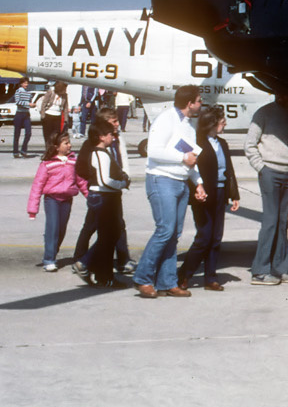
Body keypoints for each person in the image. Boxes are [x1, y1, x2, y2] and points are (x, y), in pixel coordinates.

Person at [135, 85, 205, 299]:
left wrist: (198, 182)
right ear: (189, 103)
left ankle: (167, 281)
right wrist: (182, 158)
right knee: (165, 230)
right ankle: (143, 278)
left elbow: (191, 156)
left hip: (181, 182)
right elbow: (154, 150)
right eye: (199, 101)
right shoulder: (166, 119)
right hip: (161, 179)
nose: (201, 104)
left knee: (174, 235)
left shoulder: (188, 125)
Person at [244, 94, 288, 285]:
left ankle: (280, 269)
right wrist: (261, 168)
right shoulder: (263, 113)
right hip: (270, 172)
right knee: (270, 221)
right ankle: (260, 271)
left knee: (282, 222)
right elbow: (249, 145)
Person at [178, 106, 239, 292]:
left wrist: (234, 194)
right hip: (203, 194)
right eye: (222, 121)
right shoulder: (196, 142)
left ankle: (210, 277)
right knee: (204, 236)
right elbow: (187, 168)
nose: (225, 124)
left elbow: (229, 170)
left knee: (216, 237)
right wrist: (196, 188)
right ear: (212, 123)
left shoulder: (223, 143)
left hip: (220, 193)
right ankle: (184, 274)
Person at [78, 118, 129, 288]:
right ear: (100, 137)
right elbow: (104, 180)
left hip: (107, 197)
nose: (113, 138)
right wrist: (122, 184)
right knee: (108, 237)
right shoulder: (100, 154)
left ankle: (99, 272)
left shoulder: (103, 152)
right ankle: (90, 265)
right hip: (103, 197)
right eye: (110, 135)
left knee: (110, 236)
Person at [28, 131, 88, 272]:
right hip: (52, 200)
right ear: (56, 147)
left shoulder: (74, 161)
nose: (69, 145)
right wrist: (32, 209)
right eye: (66, 143)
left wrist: (91, 197)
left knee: (61, 230)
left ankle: (53, 251)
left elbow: (81, 182)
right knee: (53, 228)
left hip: (67, 200)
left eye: (69, 142)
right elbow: (37, 185)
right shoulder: (47, 164)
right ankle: (49, 259)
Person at [12, 80, 34, 157]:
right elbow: (17, 102)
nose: (26, 84)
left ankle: (23, 149)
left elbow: (30, 101)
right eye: (25, 83)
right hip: (19, 114)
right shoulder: (18, 91)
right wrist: (28, 104)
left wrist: (31, 105)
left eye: (27, 83)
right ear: (21, 84)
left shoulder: (29, 92)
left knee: (28, 133)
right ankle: (15, 151)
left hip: (26, 114)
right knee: (17, 134)